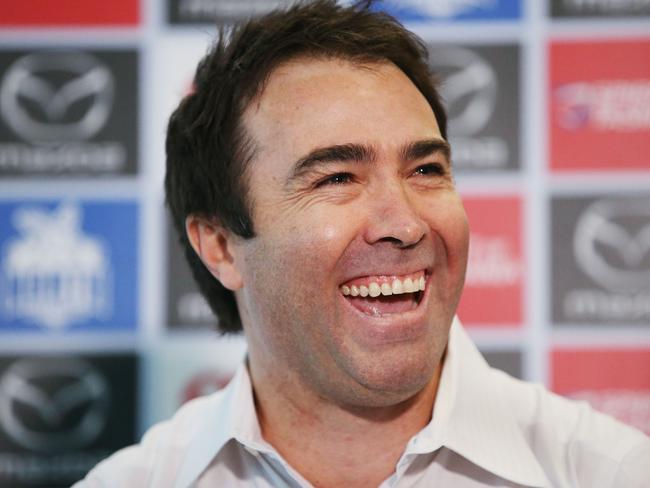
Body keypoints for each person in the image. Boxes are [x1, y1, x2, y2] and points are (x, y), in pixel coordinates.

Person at [75, 1, 649, 486]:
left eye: (425, 169)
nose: (404, 223)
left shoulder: (607, 471)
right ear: (221, 246)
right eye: (337, 178)